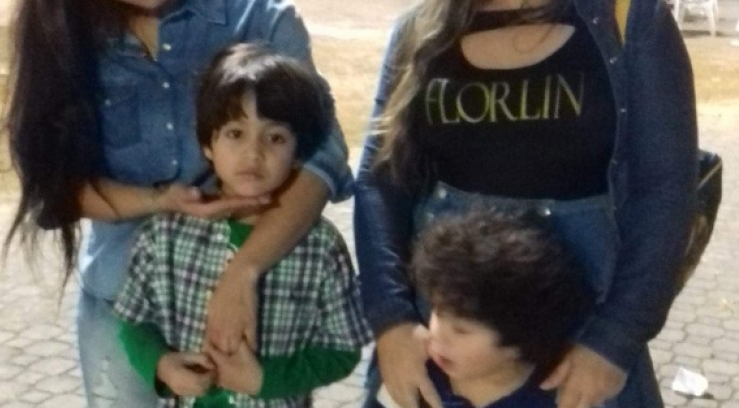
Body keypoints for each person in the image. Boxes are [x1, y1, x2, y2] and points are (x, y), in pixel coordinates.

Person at [0, 0, 352, 406]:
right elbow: (54, 184)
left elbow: (323, 156)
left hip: (266, 311)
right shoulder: (63, 27)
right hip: (122, 306)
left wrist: (244, 270)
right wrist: (159, 200)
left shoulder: (259, 17)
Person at [353, 0, 698, 407]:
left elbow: (665, 192)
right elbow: (381, 181)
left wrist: (615, 340)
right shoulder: (420, 27)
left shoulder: (632, 19)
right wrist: (391, 320)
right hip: (443, 344)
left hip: (581, 349)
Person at [112, 43, 372, 408]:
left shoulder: (321, 247)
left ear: (299, 154)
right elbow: (132, 319)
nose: (254, 153)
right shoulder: (164, 234)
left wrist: (265, 380)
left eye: (275, 138)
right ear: (208, 143)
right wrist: (162, 365)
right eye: (235, 133)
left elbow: (343, 348)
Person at [387, 210, 592, 408]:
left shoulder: (551, 399)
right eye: (437, 314)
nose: (438, 336)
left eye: (461, 330)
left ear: (516, 345)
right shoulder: (417, 373)